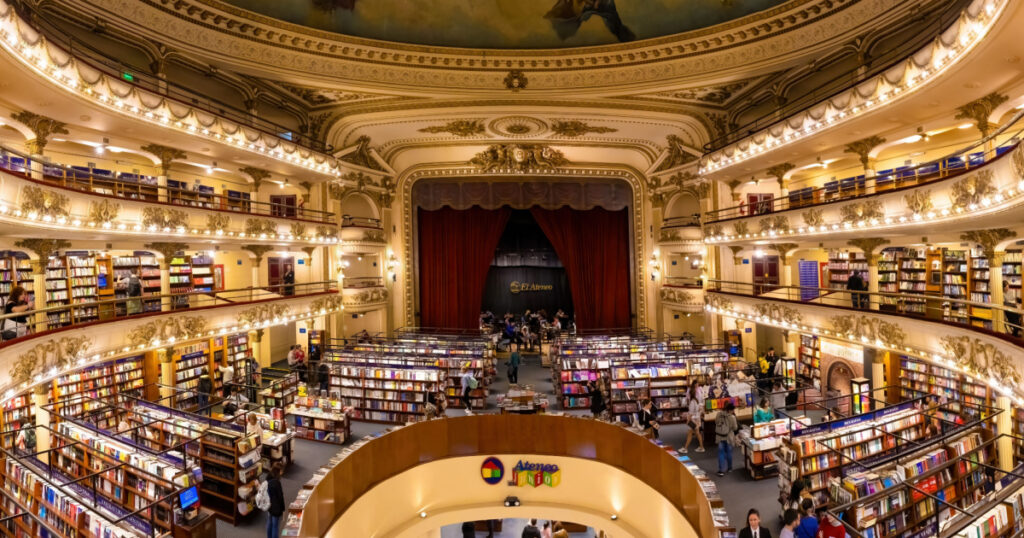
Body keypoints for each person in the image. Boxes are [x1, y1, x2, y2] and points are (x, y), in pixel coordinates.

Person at [715, 401, 738, 477]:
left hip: (720, 437)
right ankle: (730, 468)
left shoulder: (718, 414)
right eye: (733, 410)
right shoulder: (732, 417)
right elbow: (735, 428)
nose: (733, 411)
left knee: (721, 453)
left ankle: (721, 470)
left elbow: (716, 422)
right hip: (729, 437)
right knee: (729, 452)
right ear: (730, 410)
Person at [681, 384, 705, 453]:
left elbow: (691, 413)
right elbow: (699, 409)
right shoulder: (696, 400)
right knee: (697, 433)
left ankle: (685, 448)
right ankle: (701, 447)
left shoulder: (692, 402)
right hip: (697, 419)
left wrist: (688, 420)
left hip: (693, 420)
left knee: (690, 433)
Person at [265, 462, 285, 538]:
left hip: (269, 505)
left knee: (269, 522)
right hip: (276, 508)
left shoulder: (268, 477)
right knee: (275, 526)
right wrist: (283, 509)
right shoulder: (276, 483)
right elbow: (280, 497)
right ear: (279, 471)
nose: (282, 472)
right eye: (282, 471)